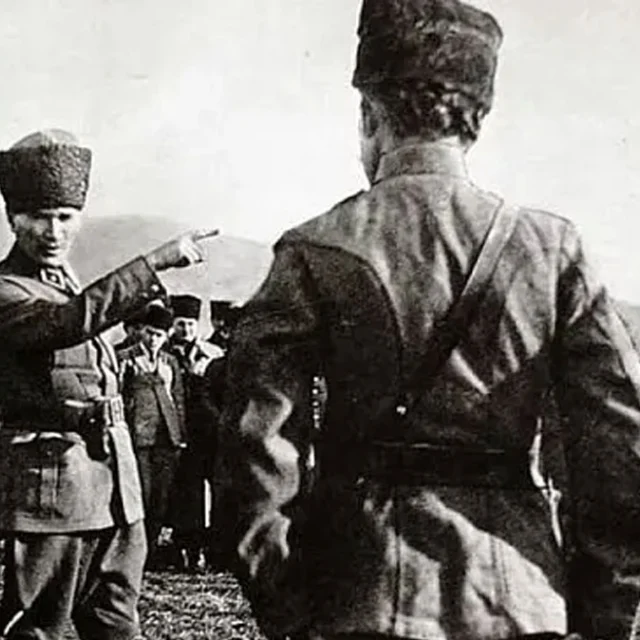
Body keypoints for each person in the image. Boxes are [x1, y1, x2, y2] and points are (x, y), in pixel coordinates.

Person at [214, 2, 640, 640]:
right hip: (521, 601)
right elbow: (619, 442)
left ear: (369, 115)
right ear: (476, 122)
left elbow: (254, 449)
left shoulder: (314, 249)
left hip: (356, 597)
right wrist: (605, 611)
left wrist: (288, 608)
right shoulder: (552, 248)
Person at [0, 128, 218, 640]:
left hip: (115, 494)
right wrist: (154, 263)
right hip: (51, 499)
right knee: (39, 629)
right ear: (13, 218)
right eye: (39, 217)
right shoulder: (7, 289)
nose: (52, 231)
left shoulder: (67, 283)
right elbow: (67, 323)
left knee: (118, 626)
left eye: (65, 217)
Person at [118, 302, 187, 567]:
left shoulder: (170, 361)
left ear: (167, 336)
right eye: (149, 333)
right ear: (141, 331)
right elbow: (119, 397)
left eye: (159, 334)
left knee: (161, 498)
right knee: (141, 496)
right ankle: (134, 553)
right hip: (138, 437)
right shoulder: (126, 358)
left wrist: (180, 433)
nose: (153, 339)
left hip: (166, 437)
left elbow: (178, 398)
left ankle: (152, 550)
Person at [166, 294, 223, 570]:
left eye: (190, 324)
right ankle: (184, 546)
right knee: (185, 491)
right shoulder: (164, 353)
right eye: (180, 324)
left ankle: (212, 547)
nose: (186, 329)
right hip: (177, 430)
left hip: (207, 431)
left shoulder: (212, 354)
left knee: (212, 490)